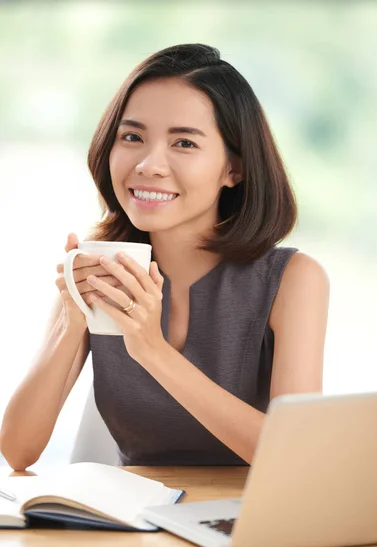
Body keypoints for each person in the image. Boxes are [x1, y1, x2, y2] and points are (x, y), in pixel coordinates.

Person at [0, 43, 329, 471]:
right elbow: (18, 450)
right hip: (141, 524)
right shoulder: (100, 266)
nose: (150, 165)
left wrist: (152, 350)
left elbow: (296, 458)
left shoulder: (292, 280)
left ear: (235, 168)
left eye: (184, 143)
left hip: (251, 524)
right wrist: (72, 321)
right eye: (132, 137)